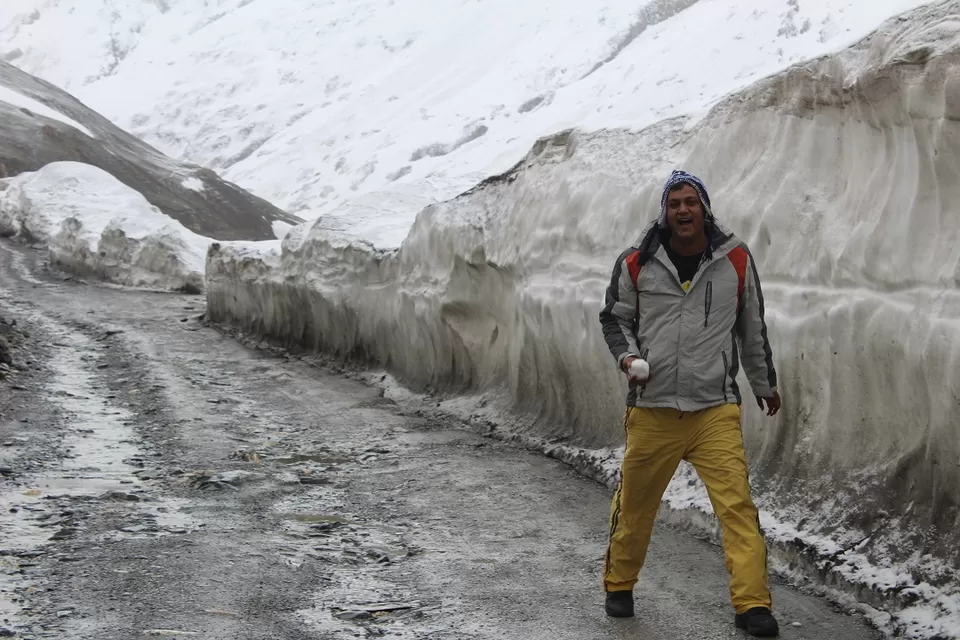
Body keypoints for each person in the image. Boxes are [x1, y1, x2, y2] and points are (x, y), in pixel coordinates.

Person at [598, 169, 782, 637]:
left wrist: (762, 383)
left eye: (691, 201)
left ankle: (752, 604)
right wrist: (629, 357)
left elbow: (751, 326)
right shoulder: (636, 262)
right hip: (653, 407)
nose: (683, 209)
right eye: (675, 202)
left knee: (737, 507)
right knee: (636, 505)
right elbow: (615, 320)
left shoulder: (735, 259)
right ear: (665, 211)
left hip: (713, 409)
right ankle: (620, 585)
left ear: (704, 209)